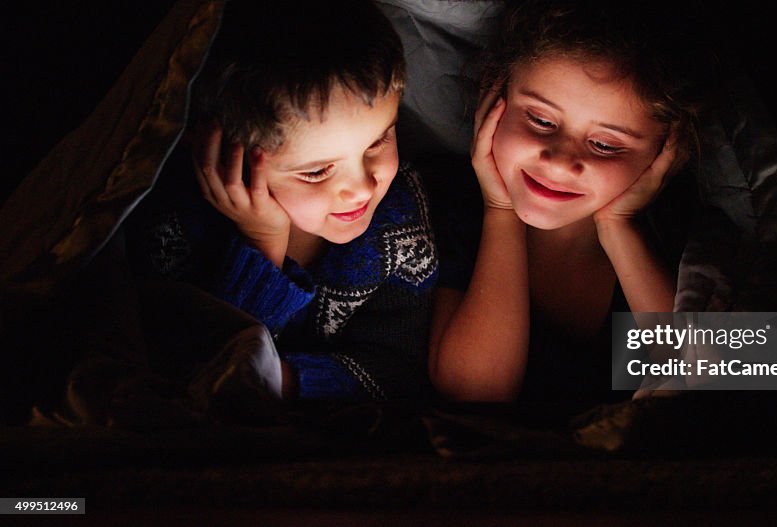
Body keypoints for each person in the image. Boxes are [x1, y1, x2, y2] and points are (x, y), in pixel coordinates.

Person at [128, 0, 437, 404]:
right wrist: (262, 245)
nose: (362, 187)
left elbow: (397, 367)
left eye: (379, 140)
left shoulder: (400, 222)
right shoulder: (173, 222)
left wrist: (285, 382)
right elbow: (197, 372)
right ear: (221, 154)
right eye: (316, 171)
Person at [428, 0, 710, 402]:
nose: (559, 163)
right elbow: (477, 393)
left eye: (605, 145)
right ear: (495, 96)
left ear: (665, 151)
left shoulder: (678, 230)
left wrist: (618, 227)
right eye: (541, 120)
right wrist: (501, 211)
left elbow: (709, 372)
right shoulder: (443, 207)